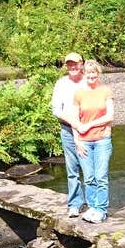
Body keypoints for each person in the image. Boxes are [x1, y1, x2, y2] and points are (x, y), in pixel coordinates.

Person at [72, 60, 114, 223]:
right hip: (84, 142)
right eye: (88, 73)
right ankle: (92, 207)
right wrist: (77, 141)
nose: (91, 75)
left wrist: (89, 124)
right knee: (89, 177)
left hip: (102, 140)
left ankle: (101, 210)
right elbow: (75, 119)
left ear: (98, 74)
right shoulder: (79, 94)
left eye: (93, 72)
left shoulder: (105, 91)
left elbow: (109, 116)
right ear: (84, 74)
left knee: (101, 176)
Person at [51, 52, 86, 217]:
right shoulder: (61, 84)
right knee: (72, 169)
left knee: (90, 169)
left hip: (88, 130)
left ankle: (94, 204)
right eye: (69, 64)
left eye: (75, 64)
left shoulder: (89, 81)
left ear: (81, 64)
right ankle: (75, 204)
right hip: (67, 129)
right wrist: (73, 124)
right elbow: (56, 110)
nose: (72, 67)